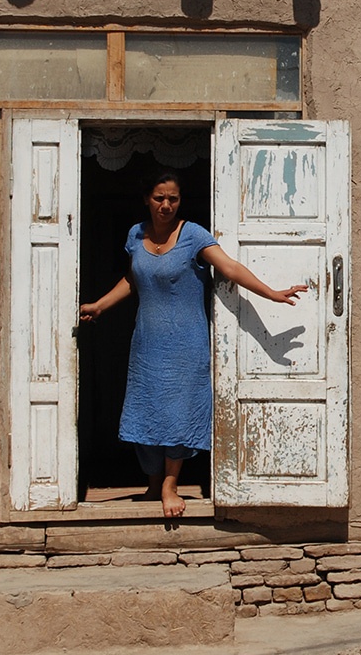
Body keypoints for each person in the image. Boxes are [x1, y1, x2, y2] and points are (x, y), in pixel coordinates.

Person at [79, 169, 307, 518]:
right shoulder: (135, 235)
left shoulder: (193, 235)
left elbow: (230, 268)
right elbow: (134, 278)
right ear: (146, 199)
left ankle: (171, 485)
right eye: (159, 198)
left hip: (186, 343)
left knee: (180, 412)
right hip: (147, 342)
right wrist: (100, 305)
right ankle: (153, 485)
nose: (167, 205)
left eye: (173, 198)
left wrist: (273, 294)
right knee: (146, 410)